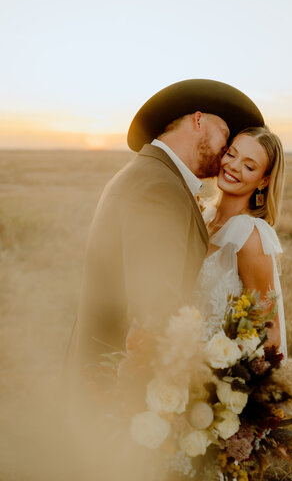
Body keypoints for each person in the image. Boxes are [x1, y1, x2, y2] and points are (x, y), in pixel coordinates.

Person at [62, 79, 264, 480]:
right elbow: (156, 309)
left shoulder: (151, 175)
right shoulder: (159, 187)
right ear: (198, 120)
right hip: (119, 395)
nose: (227, 150)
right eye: (225, 135)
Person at [195, 126, 287, 358]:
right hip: (184, 360)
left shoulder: (249, 235)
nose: (234, 166)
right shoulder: (204, 217)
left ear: (264, 181)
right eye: (231, 154)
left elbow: (269, 331)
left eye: (249, 166)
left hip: (218, 371)